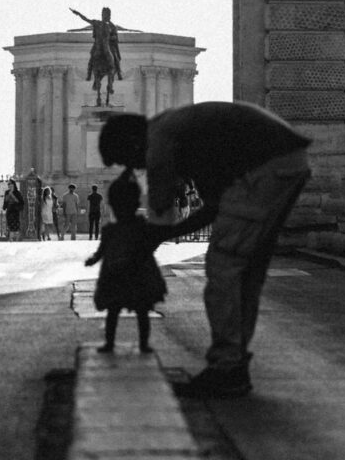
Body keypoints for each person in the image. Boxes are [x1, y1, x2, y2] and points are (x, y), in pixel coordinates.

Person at [98, 101, 311, 399]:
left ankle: (226, 367)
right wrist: (165, 234)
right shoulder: (183, 135)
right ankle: (233, 364)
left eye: (129, 160)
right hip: (288, 161)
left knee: (224, 266)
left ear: (134, 142)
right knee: (246, 270)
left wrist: (146, 239)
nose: (136, 168)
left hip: (265, 166)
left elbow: (160, 208)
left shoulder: (158, 138)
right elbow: (213, 207)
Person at [84, 168, 166, 355]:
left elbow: (101, 251)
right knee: (141, 311)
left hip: (116, 273)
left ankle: (111, 344)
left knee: (115, 310)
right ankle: (142, 344)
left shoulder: (112, 229)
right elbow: (152, 242)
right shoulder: (139, 226)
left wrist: (93, 260)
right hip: (138, 273)